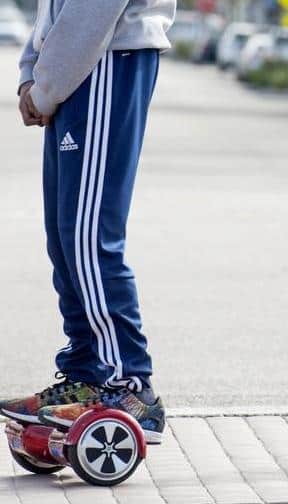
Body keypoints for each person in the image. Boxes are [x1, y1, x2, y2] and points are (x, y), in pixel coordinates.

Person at [0, 0, 176, 444]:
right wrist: (32, 74)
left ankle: (128, 386)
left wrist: (44, 87)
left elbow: (94, 8)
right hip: (79, 66)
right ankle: (86, 373)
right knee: (65, 237)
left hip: (107, 59)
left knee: (88, 235)